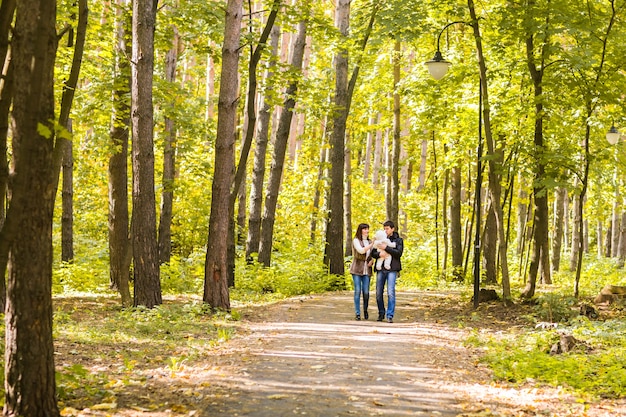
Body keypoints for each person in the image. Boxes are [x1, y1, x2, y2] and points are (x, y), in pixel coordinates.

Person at [371, 220, 403, 323]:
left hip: (392, 269)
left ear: (392, 229)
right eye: (384, 228)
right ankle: (381, 313)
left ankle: (390, 315)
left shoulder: (398, 240)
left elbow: (398, 253)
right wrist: (379, 255)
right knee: (378, 293)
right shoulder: (379, 239)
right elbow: (373, 252)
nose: (385, 230)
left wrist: (386, 248)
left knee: (390, 292)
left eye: (387, 228)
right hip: (380, 269)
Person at [349, 223, 374, 320]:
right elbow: (361, 251)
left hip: (367, 270)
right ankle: (357, 313)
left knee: (366, 292)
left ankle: (365, 310)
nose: (367, 231)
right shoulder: (356, 240)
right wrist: (371, 245)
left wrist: (372, 260)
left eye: (367, 229)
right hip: (357, 269)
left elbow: (372, 254)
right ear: (360, 230)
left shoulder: (369, 241)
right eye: (364, 229)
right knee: (358, 291)